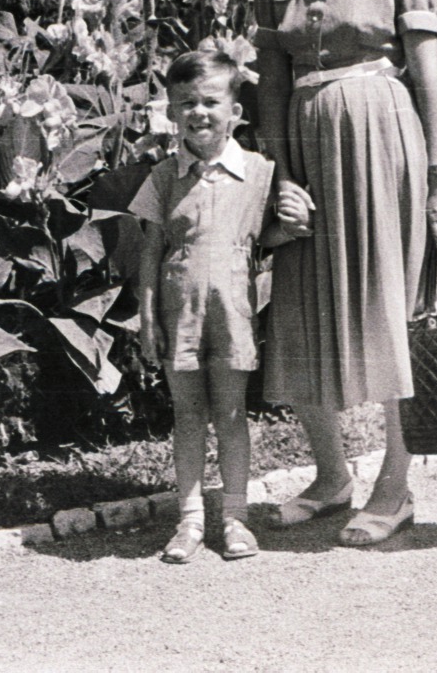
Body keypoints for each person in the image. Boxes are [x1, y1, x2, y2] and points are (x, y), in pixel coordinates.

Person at [252, 0, 437, 547]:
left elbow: (428, 76)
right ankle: (331, 475)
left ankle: (396, 485)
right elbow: (271, 82)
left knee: (390, 303)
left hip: (380, 133)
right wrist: (276, 176)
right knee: (301, 308)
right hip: (305, 152)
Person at [130, 50, 313, 563]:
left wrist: (294, 225)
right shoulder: (165, 177)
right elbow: (150, 250)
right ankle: (189, 521)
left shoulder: (258, 172)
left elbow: (267, 234)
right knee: (188, 414)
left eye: (211, 101)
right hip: (177, 312)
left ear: (236, 111)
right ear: (170, 111)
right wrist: (147, 317)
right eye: (186, 102)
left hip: (232, 312)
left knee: (231, 414)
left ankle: (235, 517)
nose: (199, 112)